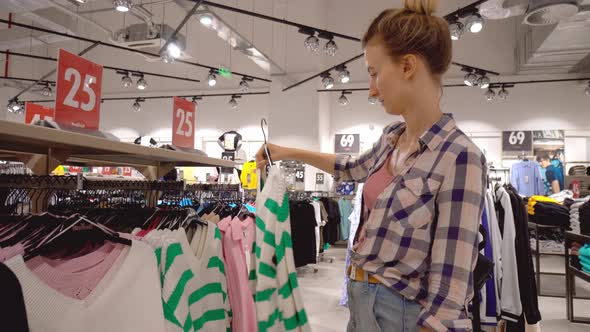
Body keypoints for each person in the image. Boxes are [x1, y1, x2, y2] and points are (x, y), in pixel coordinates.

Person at [256, 0, 486, 331]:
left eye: (375, 73)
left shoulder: (460, 156)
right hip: (361, 300)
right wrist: (286, 152)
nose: (372, 90)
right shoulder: (392, 137)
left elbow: (451, 285)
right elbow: (349, 166)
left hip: (402, 313)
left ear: (407, 66)